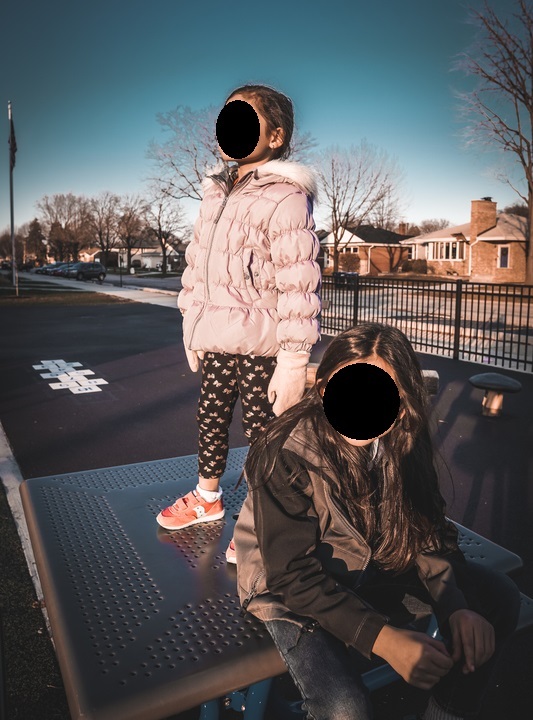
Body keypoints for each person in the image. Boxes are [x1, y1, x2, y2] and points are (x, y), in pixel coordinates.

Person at [234, 323, 520, 720]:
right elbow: (292, 575)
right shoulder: (286, 451)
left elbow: (427, 532)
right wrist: (382, 638)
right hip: (290, 592)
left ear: (401, 401)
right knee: (344, 708)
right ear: (323, 391)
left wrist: (456, 606)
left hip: (370, 564)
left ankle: (446, 711)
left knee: (499, 597)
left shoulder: (402, 439)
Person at [156, 84, 321, 558]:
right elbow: (197, 265)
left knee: (262, 434)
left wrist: (293, 359)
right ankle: (208, 498)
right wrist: (191, 324)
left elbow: (298, 280)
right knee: (209, 418)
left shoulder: (286, 195)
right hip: (216, 335)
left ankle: (261, 517)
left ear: (275, 136)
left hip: (262, 341)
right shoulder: (216, 192)